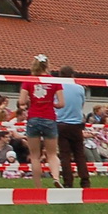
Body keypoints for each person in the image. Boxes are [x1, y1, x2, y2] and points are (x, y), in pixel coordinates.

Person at [21, 55, 63, 186]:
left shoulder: (28, 81)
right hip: (49, 118)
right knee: (52, 153)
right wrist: (53, 104)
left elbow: (21, 101)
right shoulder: (55, 81)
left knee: (35, 155)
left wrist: (30, 101)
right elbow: (62, 103)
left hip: (33, 117)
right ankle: (56, 177)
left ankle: (38, 184)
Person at [56, 65, 90, 189]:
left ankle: (68, 182)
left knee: (65, 155)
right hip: (76, 124)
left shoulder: (57, 88)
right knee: (79, 154)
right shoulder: (80, 88)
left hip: (61, 123)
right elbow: (81, 104)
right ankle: (85, 181)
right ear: (72, 75)